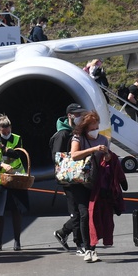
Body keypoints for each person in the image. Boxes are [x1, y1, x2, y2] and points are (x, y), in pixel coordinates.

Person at [77, 111, 125, 262]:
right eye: (92, 126)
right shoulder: (78, 138)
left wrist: (108, 156)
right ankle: (87, 247)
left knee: (94, 214)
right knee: (85, 214)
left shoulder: (103, 139)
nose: (95, 128)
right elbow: (73, 155)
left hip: (96, 182)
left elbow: (108, 159)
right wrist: (93, 149)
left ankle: (92, 248)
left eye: (96, 125)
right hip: (80, 182)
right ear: (85, 127)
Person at [0, 115, 28, 252]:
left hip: (16, 178)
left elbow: (17, 155)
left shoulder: (17, 138)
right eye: (3, 131)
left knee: (16, 211)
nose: (6, 133)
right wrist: (2, 165)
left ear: (10, 128)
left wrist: (4, 148)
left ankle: (17, 241)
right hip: (0, 180)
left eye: (8, 130)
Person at [52, 104, 89, 254]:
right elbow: (58, 158)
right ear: (70, 116)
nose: (81, 116)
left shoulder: (79, 132)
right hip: (69, 179)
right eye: (78, 114)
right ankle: (79, 244)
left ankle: (62, 232)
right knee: (76, 212)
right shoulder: (62, 135)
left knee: (82, 211)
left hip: (81, 177)